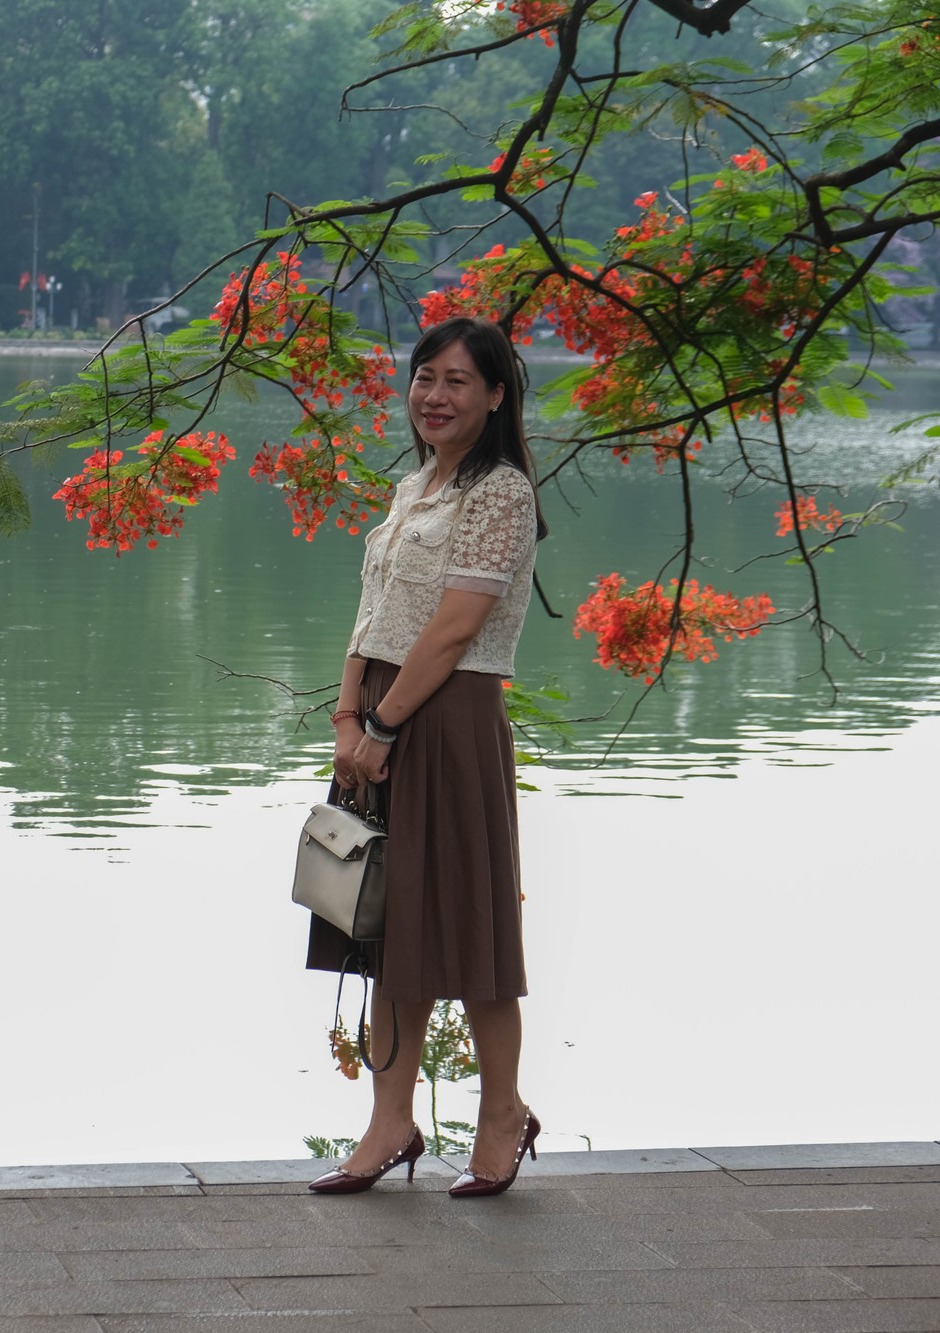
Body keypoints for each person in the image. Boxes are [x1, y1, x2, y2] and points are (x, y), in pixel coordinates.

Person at [305, 315, 547, 1200]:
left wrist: (387, 728)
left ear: (494, 394)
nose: (436, 396)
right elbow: (373, 617)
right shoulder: (417, 485)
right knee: (383, 929)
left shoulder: (501, 493)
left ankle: (501, 1114)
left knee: (473, 932)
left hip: (445, 721)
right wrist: (345, 719)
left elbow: (452, 630)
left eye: (457, 381)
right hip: (380, 719)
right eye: (424, 378)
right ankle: (390, 1120)